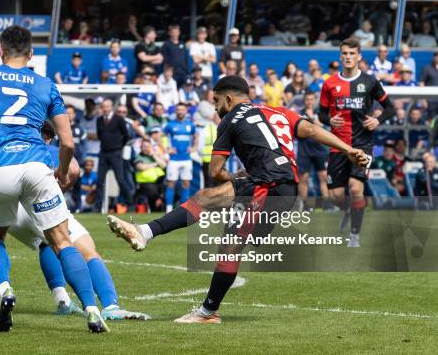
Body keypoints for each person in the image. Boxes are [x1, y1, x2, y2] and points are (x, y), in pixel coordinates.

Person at [106, 76, 369, 323]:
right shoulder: (276, 111)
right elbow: (311, 129)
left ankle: (207, 311)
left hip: (267, 187)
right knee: (213, 207)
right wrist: (347, 149)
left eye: (217, 101)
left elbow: (215, 170)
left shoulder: (230, 119)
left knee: (223, 231)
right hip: (284, 186)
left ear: (229, 100)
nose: (217, 108)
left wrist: (234, 176)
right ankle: (146, 232)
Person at [0, 25, 108, 333]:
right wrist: (62, 171)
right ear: (31, 54)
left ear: (0, 50)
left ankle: (5, 289)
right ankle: (92, 309)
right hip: (38, 168)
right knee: (62, 242)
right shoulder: (46, 84)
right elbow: (67, 142)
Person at [8, 123, 150, 320]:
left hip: (11, 215)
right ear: (48, 137)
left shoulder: (10, 147)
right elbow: (74, 170)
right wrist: (59, 187)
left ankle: (62, 301)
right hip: (40, 206)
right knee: (88, 252)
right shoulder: (47, 147)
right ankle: (110, 306)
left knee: (46, 243)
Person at [319, 38, 396, 247]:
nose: (348, 57)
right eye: (344, 53)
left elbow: (390, 108)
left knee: (355, 189)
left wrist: (378, 119)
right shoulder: (329, 83)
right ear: (340, 56)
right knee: (335, 195)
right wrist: (329, 120)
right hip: (337, 145)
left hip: (363, 144)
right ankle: (347, 211)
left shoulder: (370, 81)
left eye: (352, 53)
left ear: (359, 56)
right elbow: (321, 114)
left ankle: (354, 236)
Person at [94, 98, 133, 212]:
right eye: (103, 107)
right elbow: (100, 135)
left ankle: (130, 203)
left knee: (120, 180)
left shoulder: (119, 119)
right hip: (103, 153)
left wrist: (118, 146)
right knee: (100, 181)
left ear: (111, 107)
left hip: (115, 153)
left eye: (107, 106)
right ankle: (98, 206)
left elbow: (126, 135)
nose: (105, 109)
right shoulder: (99, 120)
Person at [297, 93, 329, 210]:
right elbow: (299, 130)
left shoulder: (320, 113)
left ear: (315, 100)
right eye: (307, 99)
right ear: (304, 101)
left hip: (320, 149)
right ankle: (304, 205)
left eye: (311, 99)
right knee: (304, 178)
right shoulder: (300, 113)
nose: (309, 101)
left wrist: (316, 123)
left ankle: (326, 203)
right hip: (304, 149)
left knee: (323, 177)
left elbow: (324, 129)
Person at [163, 103, 197, 212]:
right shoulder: (170, 124)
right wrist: (166, 148)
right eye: (178, 110)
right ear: (175, 111)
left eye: (182, 110)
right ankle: (168, 208)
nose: (180, 111)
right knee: (171, 183)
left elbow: (196, 136)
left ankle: (183, 209)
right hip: (173, 159)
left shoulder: (190, 125)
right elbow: (160, 136)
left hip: (186, 159)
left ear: (186, 111)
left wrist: (194, 148)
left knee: (186, 183)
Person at [134, 139, 167, 211]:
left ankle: (162, 208)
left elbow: (164, 165)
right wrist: (155, 164)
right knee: (153, 191)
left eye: (148, 146)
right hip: (145, 183)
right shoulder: (139, 157)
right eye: (144, 146)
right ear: (141, 147)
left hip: (159, 182)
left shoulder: (154, 156)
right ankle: (156, 208)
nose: (146, 148)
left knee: (169, 189)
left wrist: (154, 156)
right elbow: (141, 167)